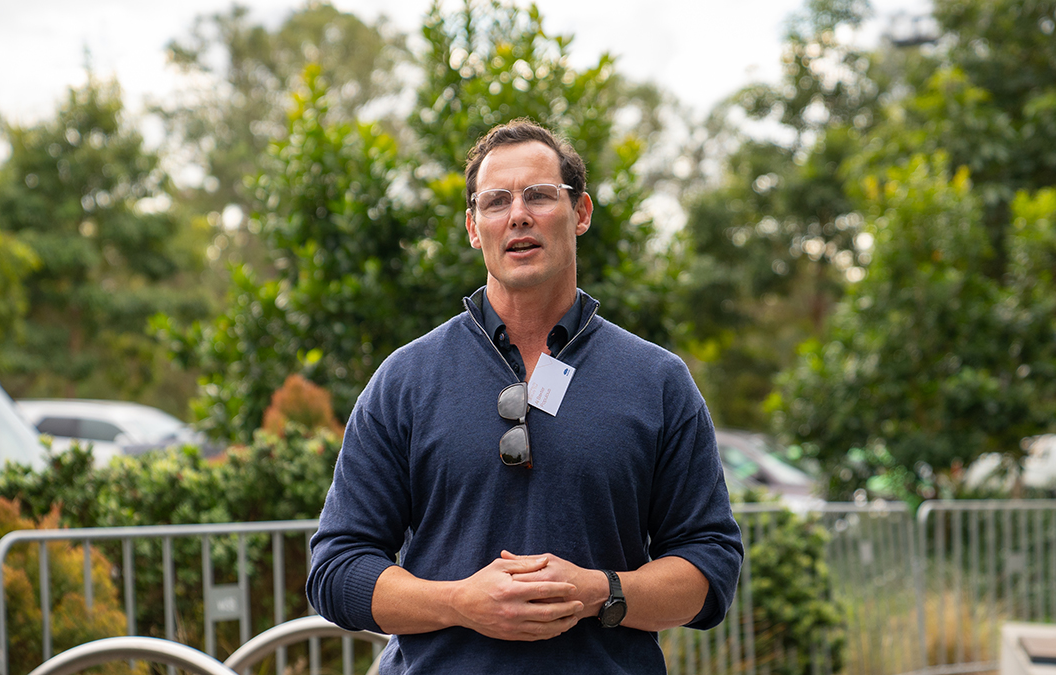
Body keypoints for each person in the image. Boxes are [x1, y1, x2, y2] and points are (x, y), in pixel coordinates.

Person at [306, 118, 743, 674]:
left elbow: (710, 565)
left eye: (539, 195)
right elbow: (336, 570)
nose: (517, 214)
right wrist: (460, 603)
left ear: (580, 212)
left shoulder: (657, 381)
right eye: (495, 201)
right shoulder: (405, 381)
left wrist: (600, 591)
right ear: (473, 227)